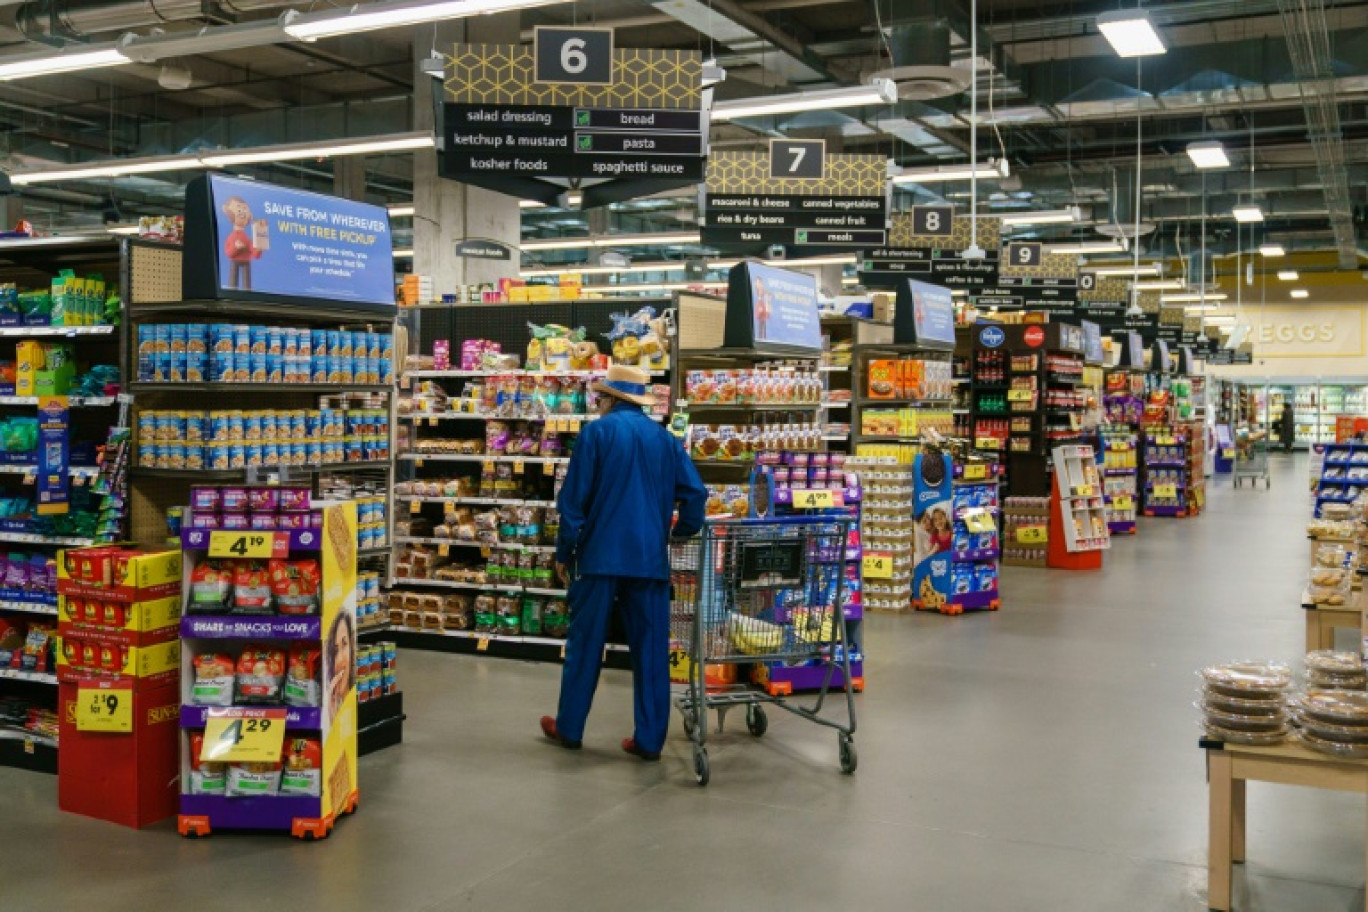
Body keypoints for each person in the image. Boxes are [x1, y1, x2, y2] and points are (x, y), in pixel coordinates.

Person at [541, 363, 707, 761]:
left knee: (585, 645)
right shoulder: (665, 441)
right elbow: (696, 496)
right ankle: (649, 741)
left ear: (612, 398)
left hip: (597, 559)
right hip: (649, 561)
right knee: (650, 652)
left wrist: (564, 552)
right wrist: (680, 532)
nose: (596, 403)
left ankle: (571, 727)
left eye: (599, 397)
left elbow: (574, 503)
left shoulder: (596, 434)